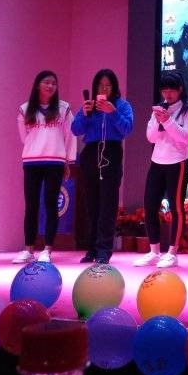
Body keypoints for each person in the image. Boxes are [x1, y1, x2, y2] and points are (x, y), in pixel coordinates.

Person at [134, 71, 188, 268]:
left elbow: (186, 138)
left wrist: (168, 121)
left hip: (177, 162)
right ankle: (154, 251)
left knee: (176, 208)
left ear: (180, 90)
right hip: (157, 161)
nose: (167, 94)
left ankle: (172, 253)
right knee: (150, 205)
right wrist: (159, 120)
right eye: (164, 90)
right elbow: (150, 137)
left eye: (171, 90)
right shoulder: (158, 109)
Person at [71, 69, 134, 265]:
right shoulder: (90, 106)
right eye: (100, 85)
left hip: (111, 152)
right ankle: (91, 248)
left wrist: (112, 112)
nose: (104, 89)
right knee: (91, 205)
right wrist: (84, 114)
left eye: (108, 85)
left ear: (114, 87)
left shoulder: (122, 105)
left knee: (108, 204)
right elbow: (75, 130)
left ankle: (104, 250)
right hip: (90, 152)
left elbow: (127, 128)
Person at [13, 71, 76, 264]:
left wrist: (68, 161)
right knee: (31, 205)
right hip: (32, 161)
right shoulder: (25, 109)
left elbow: (70, 135)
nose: (50, 86)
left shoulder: (64, 108)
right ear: (37, 85)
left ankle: (47, 250)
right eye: (46, 82)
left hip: (55, 162)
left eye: (53, 83)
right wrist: (37, 147)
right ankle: (28, 249)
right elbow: (24, 138)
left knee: (50, 204)